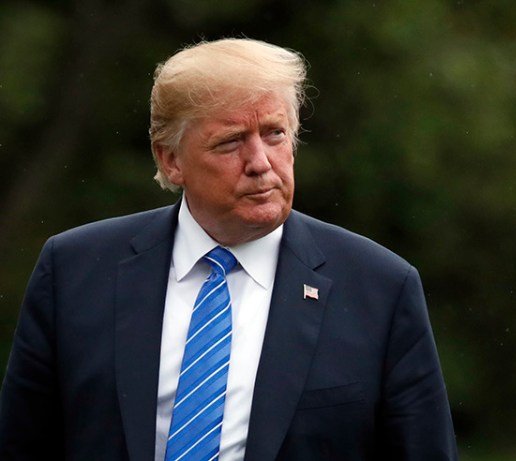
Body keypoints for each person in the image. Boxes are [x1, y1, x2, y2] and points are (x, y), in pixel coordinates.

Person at [0, 38, 458, 460]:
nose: (261, 163)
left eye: (275, 134)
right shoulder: (76, 270)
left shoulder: (380, 288)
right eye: (231, 142)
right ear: (171, 160)